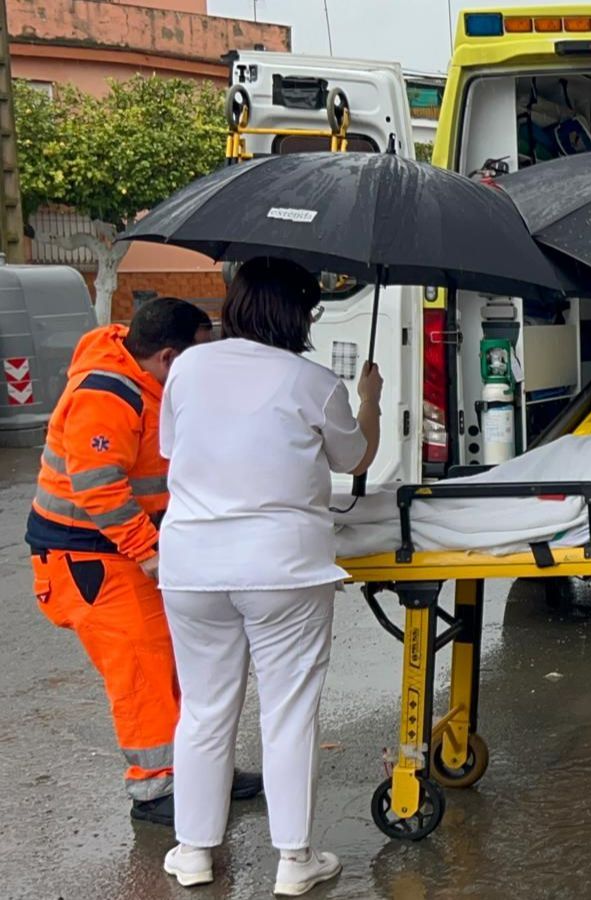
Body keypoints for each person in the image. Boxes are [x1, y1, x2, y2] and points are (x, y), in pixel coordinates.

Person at [157, 257, 382, 896]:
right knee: (289, 711)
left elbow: (177, 452)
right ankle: (294, 860)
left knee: (203, 709)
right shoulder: (313, 382)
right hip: (283, 566)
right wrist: (369, 400)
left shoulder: (189, 369)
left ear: (236, 305)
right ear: (302, 313)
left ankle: (194, 850)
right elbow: (354, 457)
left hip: (193, 564)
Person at [27, 297, 260, 827]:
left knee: (176, 666)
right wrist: (150, 554)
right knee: (144, 671)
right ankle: (156, 791)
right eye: (201, 354)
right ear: (170, 356)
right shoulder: (107, 395)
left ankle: (200, 774)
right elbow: (98, 486)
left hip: (117, 552)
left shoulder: (145, 381)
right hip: (88, 558)